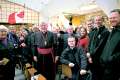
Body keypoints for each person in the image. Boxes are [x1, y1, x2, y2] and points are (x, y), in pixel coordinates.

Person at [87, 15, 110, 80]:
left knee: (99, 76)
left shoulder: (106, 32)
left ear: (102, 21)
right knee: (93, 75)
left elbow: (100, 46)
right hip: (91, 58)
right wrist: (89, 54)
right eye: (96, 20)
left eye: (99, 20)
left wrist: (91, 55)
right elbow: (89, 43)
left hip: (99, 60)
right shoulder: (93, 31)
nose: (98, 21)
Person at [100, 9, 120, 80]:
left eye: (114, 18)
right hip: (106, 68)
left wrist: (111, 59)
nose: (112, 20)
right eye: (110, 18)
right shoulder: (113, 30)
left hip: (115, 69)